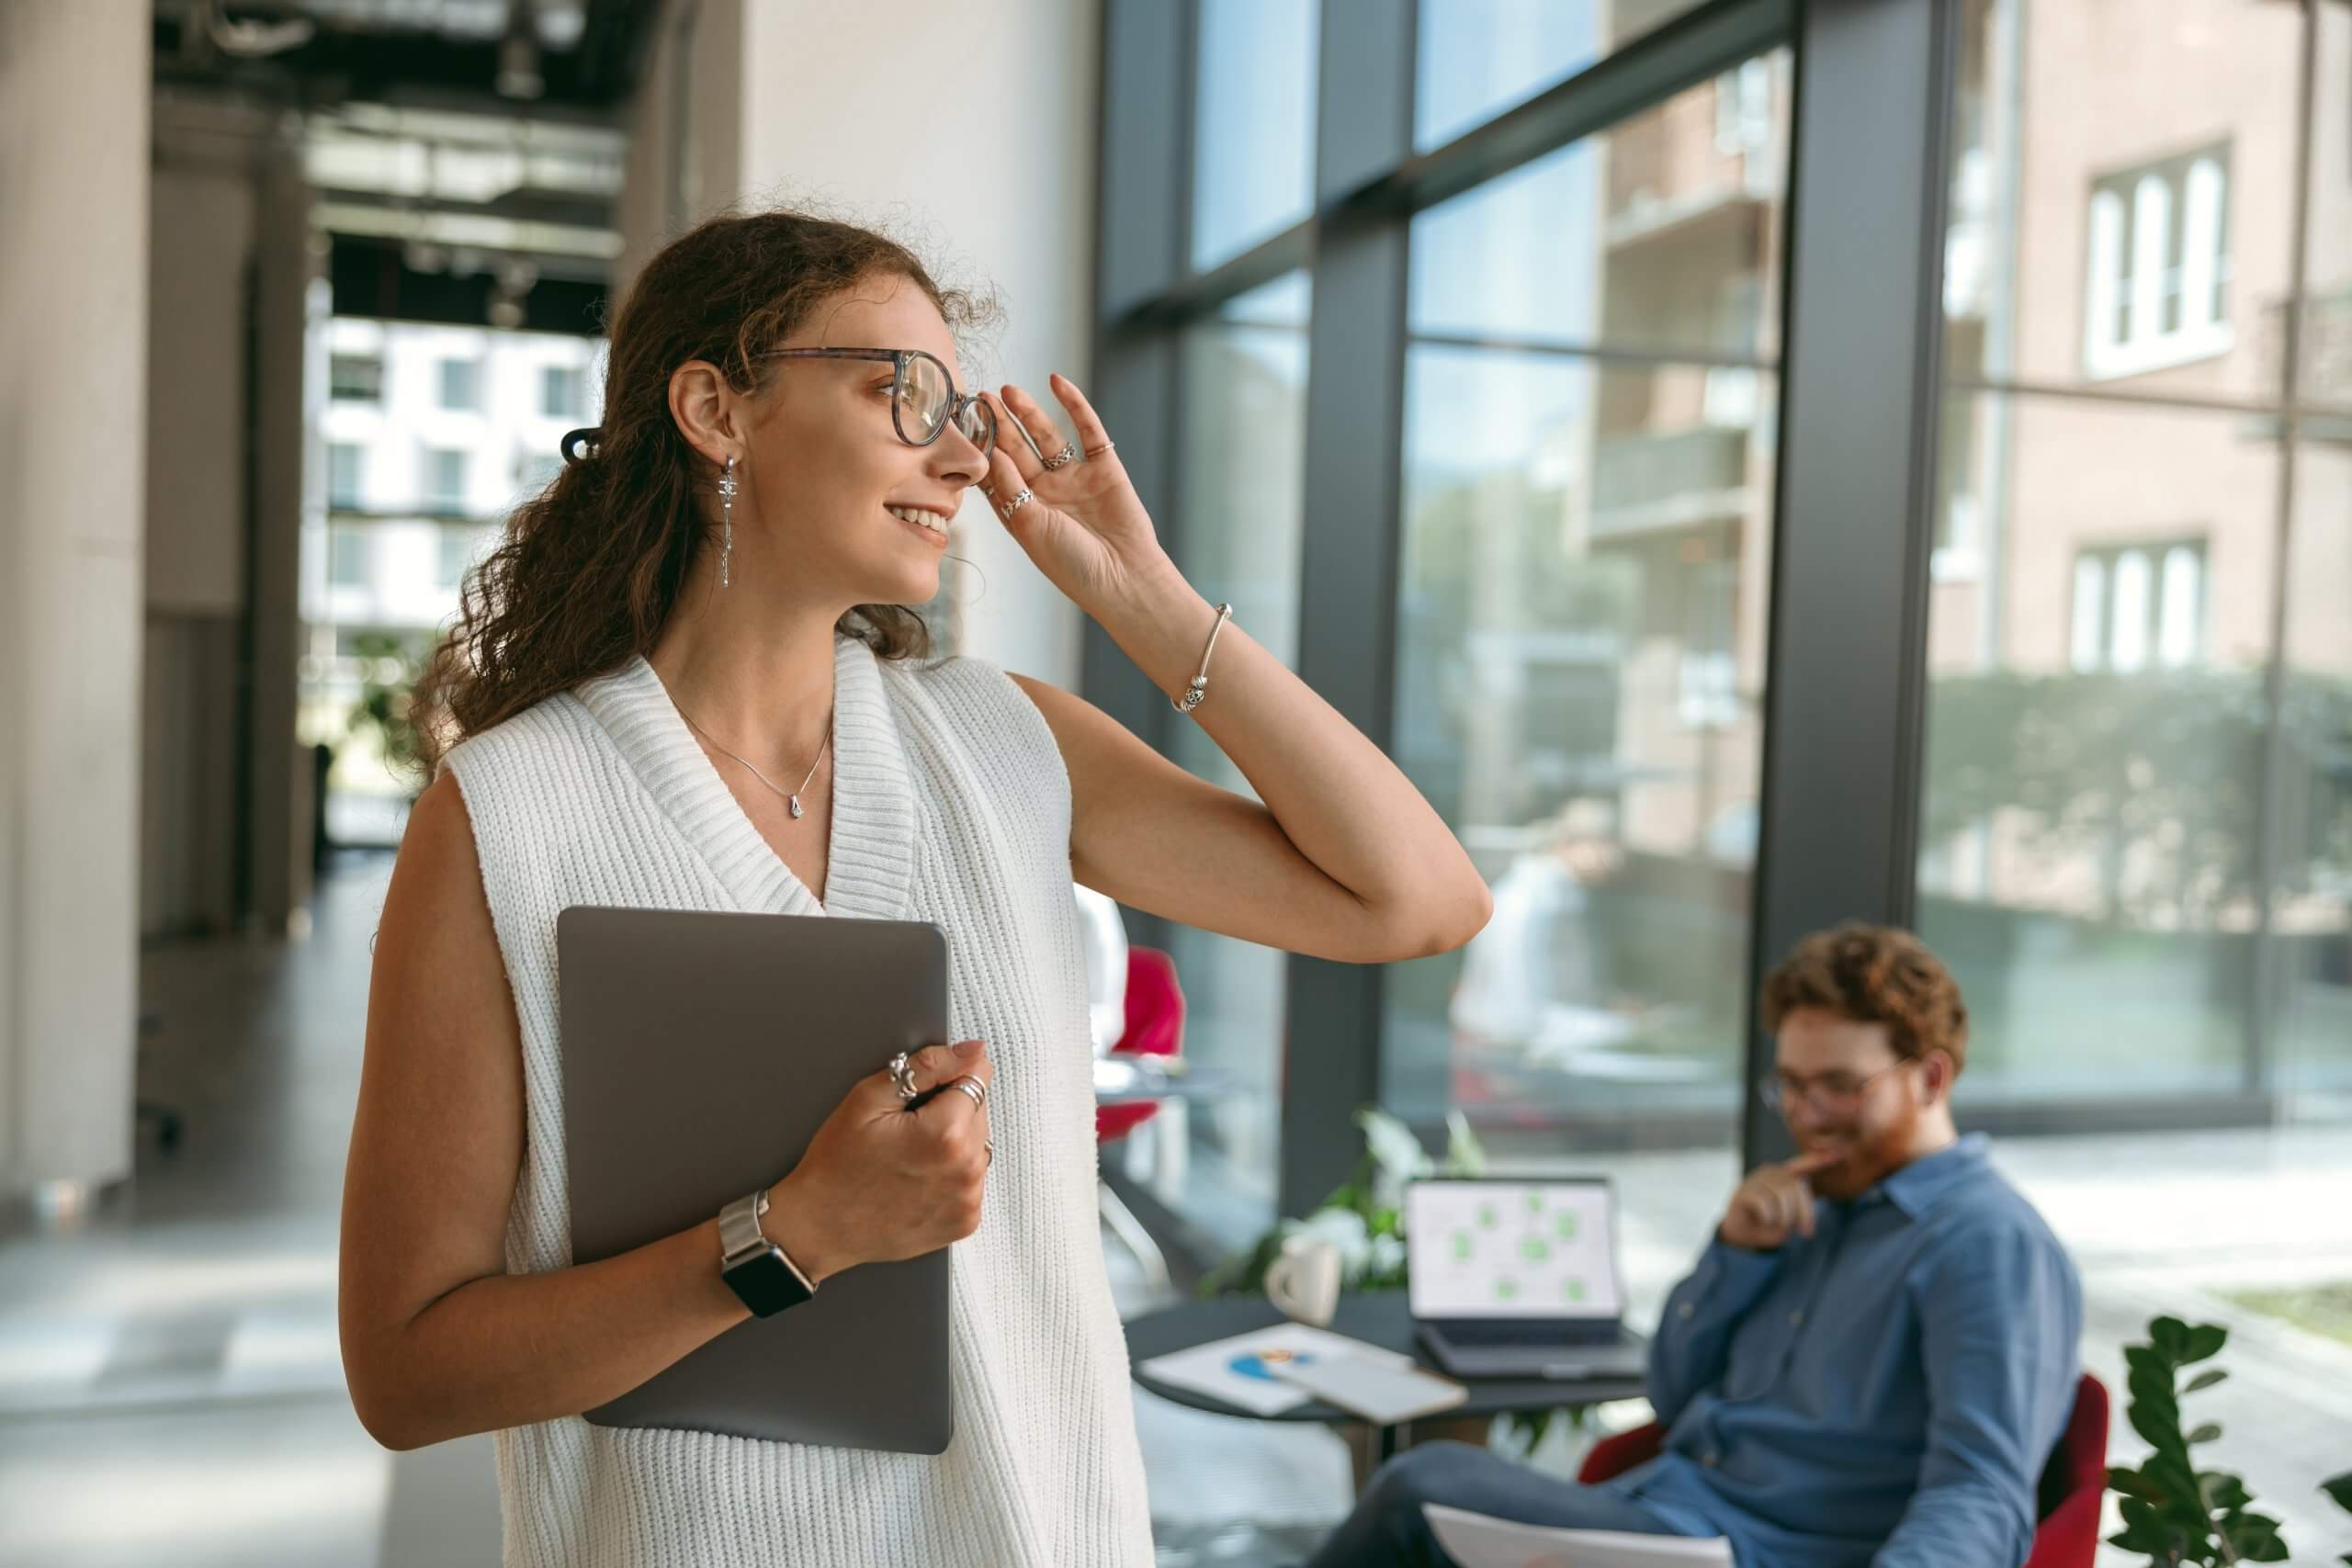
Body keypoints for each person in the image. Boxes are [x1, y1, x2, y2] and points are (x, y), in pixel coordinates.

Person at [334, 209, 1493, 1568]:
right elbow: (408, 1369)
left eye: (960, 405)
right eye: (905, 394)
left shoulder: (1005, 739)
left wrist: (1146, 599)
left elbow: (1414, 900)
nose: (960, 449)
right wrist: (795, 1233)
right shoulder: (510, 815)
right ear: (717, 407)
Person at [1308, 922, 2083, 1568]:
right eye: (1792, 1084)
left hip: (1754, 1550)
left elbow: (1980, 1489)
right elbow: (1673, 1397)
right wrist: (1735, 1254)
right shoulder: (1811, 1204)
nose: (1810, 1116)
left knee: (1424, 1483)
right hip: (1657, 1514)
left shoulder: (1989, 1243)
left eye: (1841, 1085)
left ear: (1931, 1078)